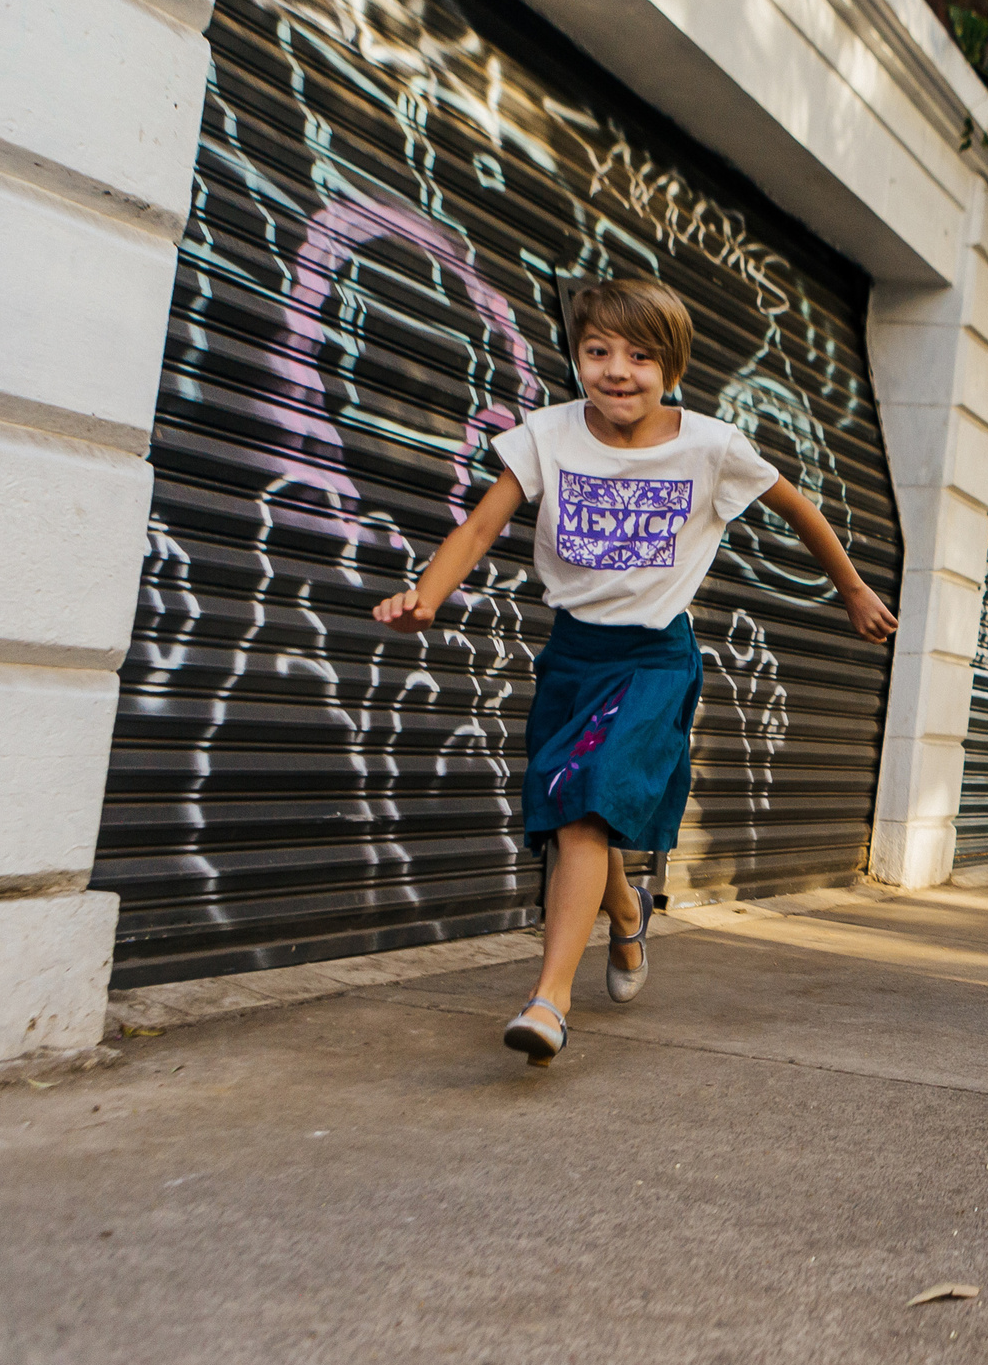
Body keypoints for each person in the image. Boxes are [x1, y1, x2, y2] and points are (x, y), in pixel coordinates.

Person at [371, 278, 897, 1064]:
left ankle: (550, 1000)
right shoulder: (548, 435)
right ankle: (626, 915)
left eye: (640, 356)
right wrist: (427, 596)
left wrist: (852, 588)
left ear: (672, 366)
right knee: (576, 812)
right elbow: (481, 525)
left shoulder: (711, 447)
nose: (617, 370)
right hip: (574, 655)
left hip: (653, 658)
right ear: (578, 357)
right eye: (598, 352)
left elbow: (799, 507)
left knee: (583, 811)